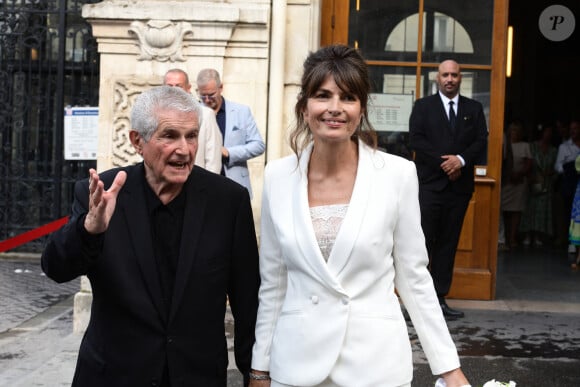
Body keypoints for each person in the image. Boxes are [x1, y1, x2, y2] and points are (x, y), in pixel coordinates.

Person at [249, 45, 470, 387]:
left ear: (361, 108)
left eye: (348, 97)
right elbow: (274, 284)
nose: (334, 108)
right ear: (305, 108)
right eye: (323, 95)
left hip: (376, 366)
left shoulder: (397, 174)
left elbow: (413, 278)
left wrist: (448, 367)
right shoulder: (278, 177)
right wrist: (260, 369)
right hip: (296, 364)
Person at [41, 86, 260, 387]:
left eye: (191, 135)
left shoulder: (228, 202)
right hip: (114, 375)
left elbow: (247, 299)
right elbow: (56, 268)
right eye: (169, 135)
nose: (184, 149)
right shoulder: (103, 193)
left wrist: (256, 373)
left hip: (196, 376)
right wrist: (89, 229)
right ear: (137, 141)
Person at [409, 59, 488, 318]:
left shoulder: (473, 109)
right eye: (445, 75)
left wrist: (461, 161)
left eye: (454, 75)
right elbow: (416, 140)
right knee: (421, 245)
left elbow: (480, 141)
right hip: (430, 187)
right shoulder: (423, 107)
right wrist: (446, 163)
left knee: (447, 244)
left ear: (460, 78)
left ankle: (439, 300)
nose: (450, 79)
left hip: (459, 190)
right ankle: (416, 303)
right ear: (437, 78)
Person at [196, 68, 265, 197]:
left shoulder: (242, 112)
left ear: (221, 87)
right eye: (202, 95)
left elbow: (258, 145)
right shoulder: (194, 114)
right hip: (203, 186)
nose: (206, 100)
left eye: (211, 94)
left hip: (235, 185)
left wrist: (228, 152)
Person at [163, 68, 223, 174]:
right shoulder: (154, 115)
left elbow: (213, 159)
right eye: (169, 86)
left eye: (178, 86)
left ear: (188, 88)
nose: (174, 90)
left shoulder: (206, 115)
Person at [519, 124, 557, 247]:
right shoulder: (532, 146)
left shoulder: (553, 150)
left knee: (543, 211)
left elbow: (557, 167)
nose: (548, 134)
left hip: (547, 183)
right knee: (530, 209)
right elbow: (527, 162)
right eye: (547, 131)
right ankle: (527, 235)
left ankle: (538, 236)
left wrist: (550, 176)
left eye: (550, 132)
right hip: (533, 181)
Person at [500, 121, 533, 249]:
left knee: (516, 211)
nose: (514, 133)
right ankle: (504, 238)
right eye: (512, 130)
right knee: (503, 209)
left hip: (519, 182)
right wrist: (508, 175)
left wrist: (519, 174)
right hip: (506, 181)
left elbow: (529, 163)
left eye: (516, 130)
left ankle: (512, 238)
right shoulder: (505, 143)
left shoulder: (525, 145)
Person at [554, 119, 580, 254]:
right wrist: (569, 170)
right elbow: (558, 166)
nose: (573, 131)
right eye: (571, 128)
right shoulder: (564, 147)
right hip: (571, 183)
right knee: (571, 213)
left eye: (576, 128)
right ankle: (572, 242)